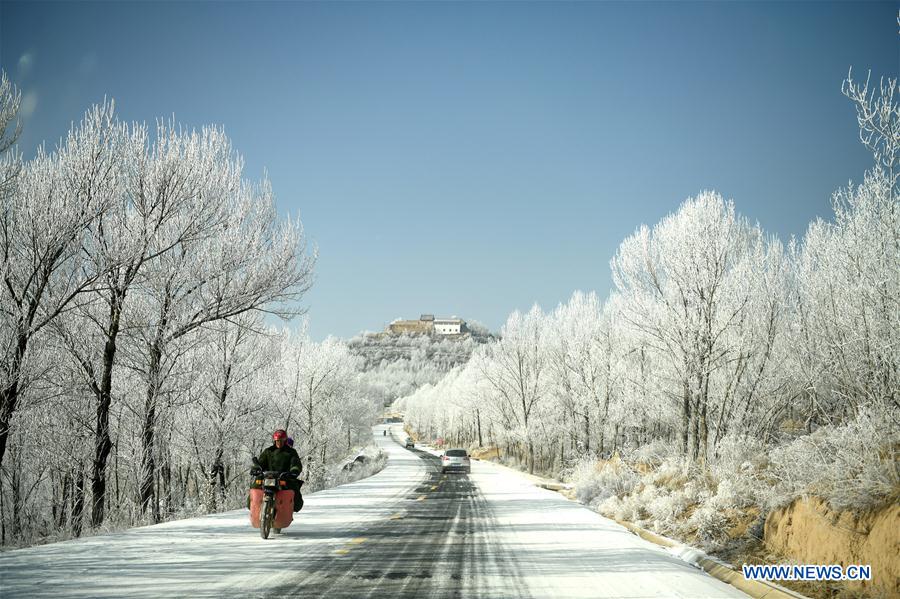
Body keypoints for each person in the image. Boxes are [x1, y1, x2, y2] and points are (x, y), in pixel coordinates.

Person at [257, 429, 303, 511]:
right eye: (277, 441)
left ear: (285, 441)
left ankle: (289, 509)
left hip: (284, 478)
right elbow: (261, 462)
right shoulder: (268, 451)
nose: (279, 443)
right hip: (268, 477)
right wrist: (256, 468)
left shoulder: (291, 452)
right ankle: (255, 507)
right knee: (255, 484)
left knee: (294, 490)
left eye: (281, 441)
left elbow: (295, 462)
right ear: (274, 441)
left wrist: (294, 470)